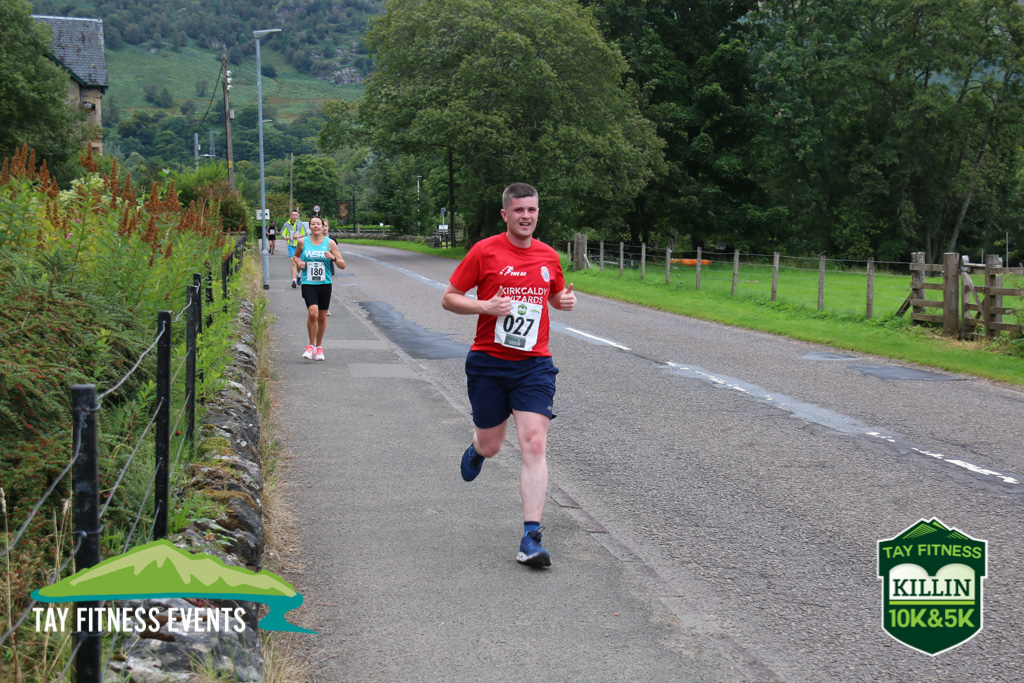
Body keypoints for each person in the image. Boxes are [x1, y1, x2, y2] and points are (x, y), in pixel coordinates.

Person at [441, 182, 575, 568]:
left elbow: (554, 296)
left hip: (534, 365)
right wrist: (485, 306)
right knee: (492, 445)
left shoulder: (548, 255)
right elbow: (449, 298)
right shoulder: (484, 251)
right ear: (505, 214)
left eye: (531, 210)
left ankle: (531, 538)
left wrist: (564, 301)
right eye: (519, 210)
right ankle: (477, 449)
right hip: (488, 363)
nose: (526, 216)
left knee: (534, 443)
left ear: (538, 213)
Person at [292, 216, 345, 360]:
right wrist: (299, 262)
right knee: (313, 314)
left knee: (322, 317)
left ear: (322, 227)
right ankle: (311, 346)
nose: (316, 226)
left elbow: (342, 264)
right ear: (309, 227)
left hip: (325, 283)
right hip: (308, 283)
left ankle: (319, 347)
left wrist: (332, 257)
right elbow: (295, 257)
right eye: (313, 224)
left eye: (318, 224)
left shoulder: (330, 243)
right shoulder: (302, 242)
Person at [281, 210, 308, 288]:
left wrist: (299, 236)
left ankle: (298, 275)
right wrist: (285, 237)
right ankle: (294, 280)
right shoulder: (287, 224)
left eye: (296, 215)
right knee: (293, 262)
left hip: (300, 246)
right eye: (293, 215)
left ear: (298, 216)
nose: (294, 216)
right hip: (291, 245)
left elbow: (305, 234)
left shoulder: (300, 224)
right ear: (290, 215)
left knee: (299, 263)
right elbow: (282, 233)